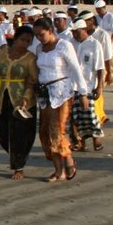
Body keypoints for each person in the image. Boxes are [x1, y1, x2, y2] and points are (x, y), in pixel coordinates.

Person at [33, 18, 88, 182]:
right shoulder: (39, 48)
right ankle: (58, 170)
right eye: (36, 35)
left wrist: (83, 92)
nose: (39, 38)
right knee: (45, 132)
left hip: (62, 93)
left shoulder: (64, 45)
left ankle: (68, 160)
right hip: (44, 94)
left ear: (50, 30)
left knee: (57, 130)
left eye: (41, 34)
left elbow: (76, 69)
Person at [0, 26, 38, 180]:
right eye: (22, 40)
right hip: (2, 96)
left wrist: (26, 97)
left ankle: (18, 166)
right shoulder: (2, 53)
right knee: (0, 130)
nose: (25, 44)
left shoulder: (30, 58)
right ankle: (15, 155)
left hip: (21, 101)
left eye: (28, 41)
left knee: (20, 134)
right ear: (15, 38)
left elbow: (32, 81)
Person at [70, 19, 106, 151]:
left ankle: (97, 138)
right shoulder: (70, 43)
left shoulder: (94, 44)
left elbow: (100, 68)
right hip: (73, 85)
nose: (74, 34)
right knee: (74, 116)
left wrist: (100, 87)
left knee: (90, 114)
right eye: (72, 32)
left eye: (76, 31)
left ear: (84, 30)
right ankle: (78, 141)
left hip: (89, 85)